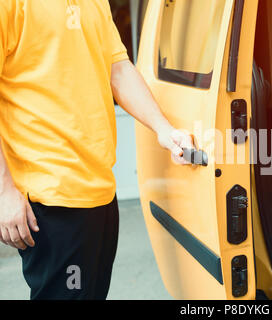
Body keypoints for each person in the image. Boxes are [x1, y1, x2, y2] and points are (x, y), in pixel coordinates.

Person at [0, 0, 193, 300]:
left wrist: (164, 129)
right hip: (52, 202)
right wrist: (3, 192)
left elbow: (117, 68)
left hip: (100, 192)